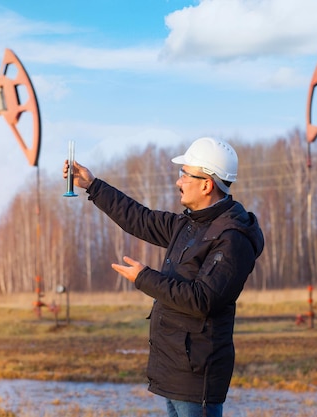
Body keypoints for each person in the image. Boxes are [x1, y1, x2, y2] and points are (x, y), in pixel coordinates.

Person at [63, 137, 264, 417]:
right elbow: (140, 219)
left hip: (196, 374)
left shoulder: (232, 239)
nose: (178, 181)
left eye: (185, 175)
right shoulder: (191, 224)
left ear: (206, 184)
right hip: (174, 367)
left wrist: (144, 277)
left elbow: (203, 299)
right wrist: (94, 185)